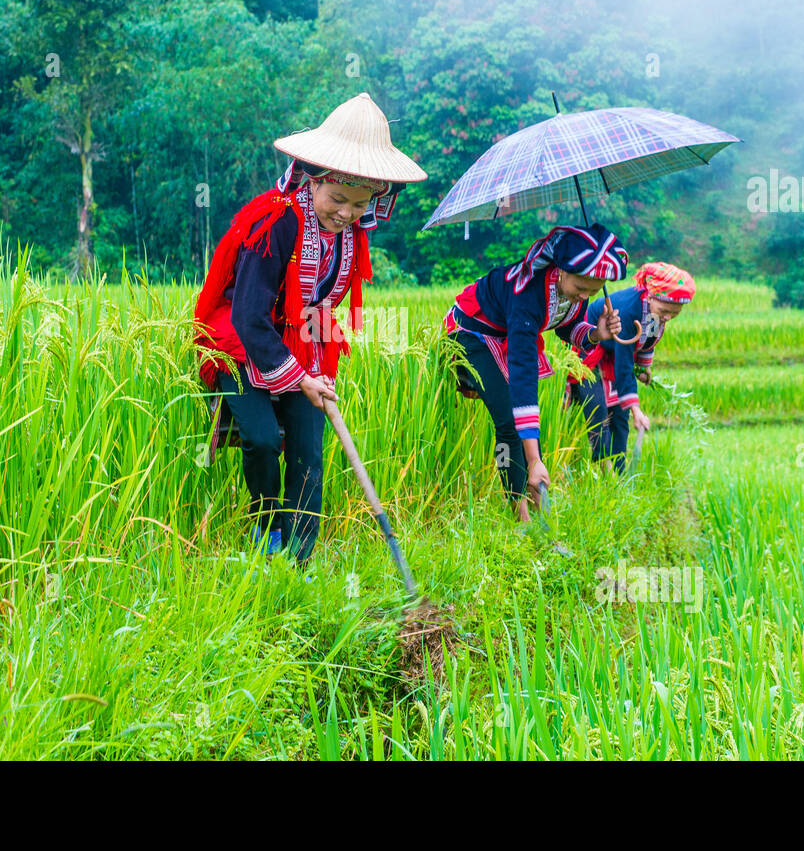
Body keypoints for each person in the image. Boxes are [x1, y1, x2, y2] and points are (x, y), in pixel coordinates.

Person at [193, 93, 426, 563]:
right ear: (314, 180)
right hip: (242, 340)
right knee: (261, 439)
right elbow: (248, 315)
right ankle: (267, 530)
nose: (346, 213)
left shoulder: (349, 234)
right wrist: (298, 378)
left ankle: (300, 560)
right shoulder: (275, 222)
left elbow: (325, 306)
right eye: (338, 199)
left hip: (307, 342)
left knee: (308, 448)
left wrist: (313, 374)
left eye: (360, 205)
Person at [444, 224, 629, 520]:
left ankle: (536, 503)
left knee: (523, 423)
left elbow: (569, 327)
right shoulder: (527, 293)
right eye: (580, 288)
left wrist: (596, 333)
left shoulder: (569, 288)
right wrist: (535, 460)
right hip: (470, 333)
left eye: (592, 292)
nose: (583, 296)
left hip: (506, 335)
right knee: (508, 420)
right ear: (561, 270)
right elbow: (523, 377)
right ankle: (519, 512)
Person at [564, 261, 695, 471]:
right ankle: (605, 470)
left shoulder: (653, 312)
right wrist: (636, 409)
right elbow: (624, 366)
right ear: (651, 296)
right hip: (588, 349)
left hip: (613, 352)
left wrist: (644, 368)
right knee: (597, 408)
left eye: (675, 313)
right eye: (665, 311)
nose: (668, 317)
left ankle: (620, 472)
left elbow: (647, 341)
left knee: (619, 416)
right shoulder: (627, 312)